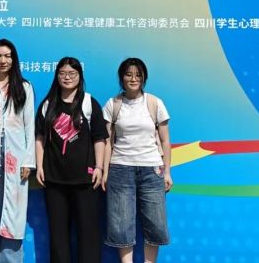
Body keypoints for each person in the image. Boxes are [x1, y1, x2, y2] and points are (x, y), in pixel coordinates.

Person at [34, 57, 106, 263]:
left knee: (88, 232)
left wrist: (99, 167)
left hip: (85, 180)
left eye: (72, 73)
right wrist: (39, 166)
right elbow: (40, 138)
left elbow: (99, 138)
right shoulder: (48, 104)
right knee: (58, 234)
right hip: (54, 180)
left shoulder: (89, 103)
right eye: (62, 73)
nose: (67, 77)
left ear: (79, 77)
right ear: (57, 76)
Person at [101, 58, 172, 263]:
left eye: (138, 75)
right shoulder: (113, 104)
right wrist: (105, 172)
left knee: (156, 223)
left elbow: (165, 140)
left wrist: (167, 172)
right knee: (121, 224)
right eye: (128, 74)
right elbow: (107, 142)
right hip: (120, 168)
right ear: (121, 78)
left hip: (152, 169)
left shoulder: (155, 103)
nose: (133, 79)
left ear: (144, 78)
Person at [0, 39, 35, 263]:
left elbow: (29, 126)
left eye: (8, 56)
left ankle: (11, 259)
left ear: (14, 59)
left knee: (13, 209)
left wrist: (28, 161)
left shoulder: (24, 87)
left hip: (16, 156)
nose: (3, 60)